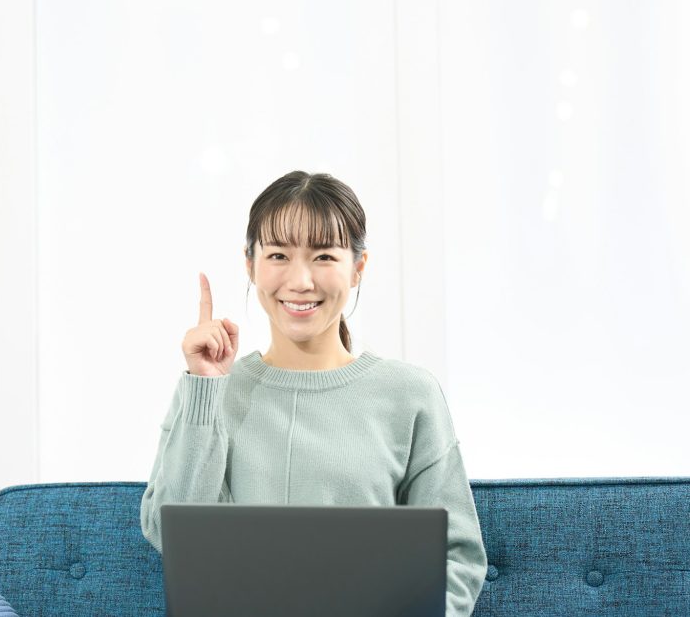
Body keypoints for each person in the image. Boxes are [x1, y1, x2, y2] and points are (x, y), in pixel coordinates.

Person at [140, 170, 488, 616]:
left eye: (323, 256)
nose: (301, 280)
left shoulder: (410, 395)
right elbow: (169, 534)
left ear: (358, 268)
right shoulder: (210, 392)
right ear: (250, 264)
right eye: (279, 255)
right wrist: (206, 386)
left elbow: (457, 557)